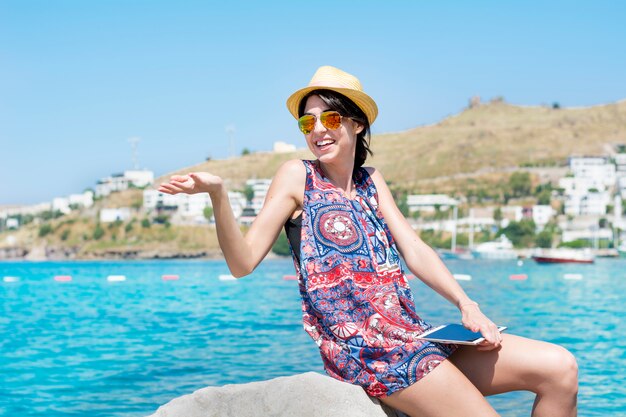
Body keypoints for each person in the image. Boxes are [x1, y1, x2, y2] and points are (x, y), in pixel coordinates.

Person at [158, 66, 578, 417]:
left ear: (357, 124)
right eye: (308, 122)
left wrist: (468, 305)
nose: (318, 129)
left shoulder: (371, 181)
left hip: (414, 336)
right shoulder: (297, 176)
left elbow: (413, 248)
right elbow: (242, 262)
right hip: (367, 351)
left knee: (560, 368)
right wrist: (218, 195)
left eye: (331, 118)